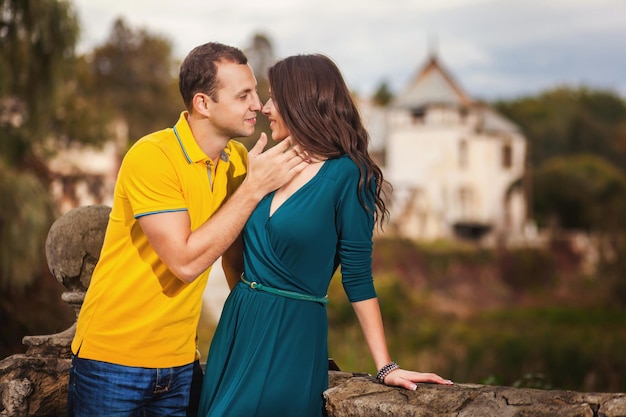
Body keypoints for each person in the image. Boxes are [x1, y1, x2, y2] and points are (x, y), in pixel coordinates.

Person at [197, 54, 453, 417]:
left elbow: (358, 277)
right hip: (238, 325)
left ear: (301, 103)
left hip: (292, 333)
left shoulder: (349, 175)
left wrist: (386, 365)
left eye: (275, 99)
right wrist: (249, 185)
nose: (266, 108)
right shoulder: (267, 162)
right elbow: (234, 251)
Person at [66, 42, 309, 417]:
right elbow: (184, 262)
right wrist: (254, 188)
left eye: (256, 92)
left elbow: (234, 259)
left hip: (181, 365)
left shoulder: (239, 161)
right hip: (112, 361)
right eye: (243, 95)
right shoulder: (153, 157)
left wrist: (270, 335)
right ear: (203, 104)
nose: (258, 105)